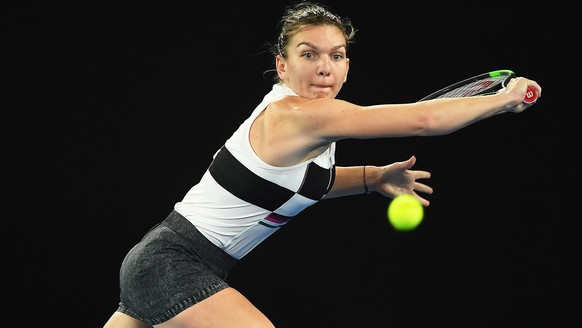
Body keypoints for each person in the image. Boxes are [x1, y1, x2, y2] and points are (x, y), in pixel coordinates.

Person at [103, 1, 542, 327]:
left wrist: (373, 178)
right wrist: (503, 99)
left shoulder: (314, 130)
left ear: (347, 66)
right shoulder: (298, 115)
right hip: (172, 262)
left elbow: (306, 185)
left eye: (336, 55)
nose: (324, 68)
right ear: (282, 64)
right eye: (308, 54)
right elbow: (425, 119)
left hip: (161, 262)